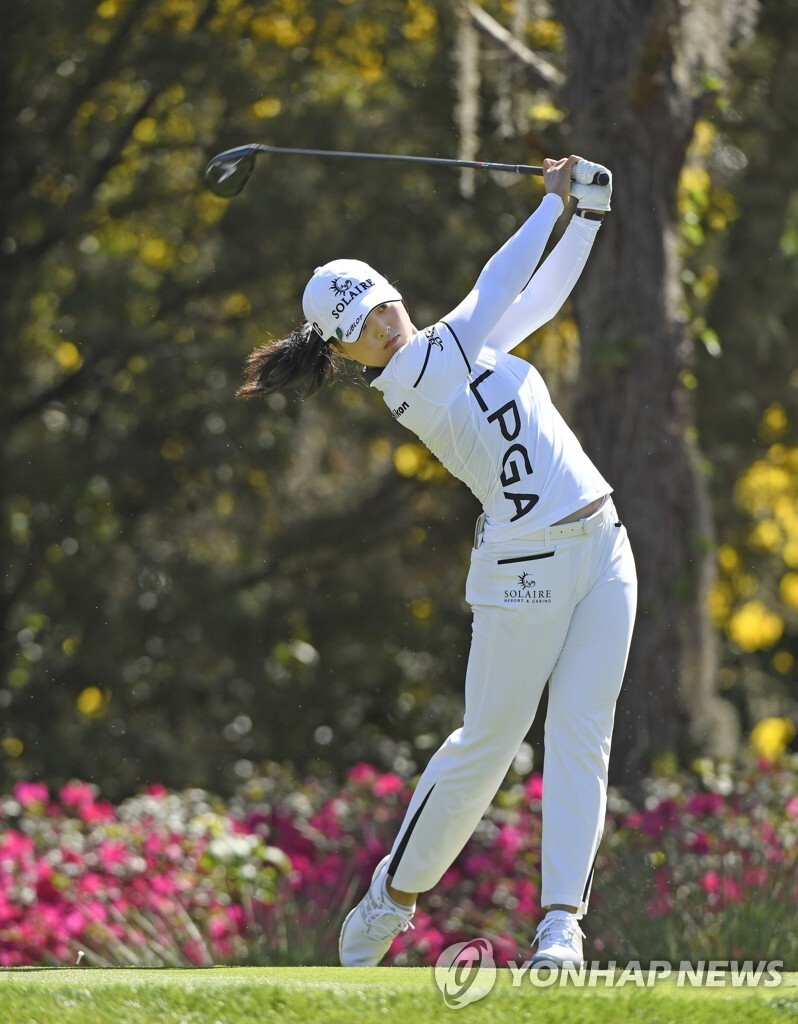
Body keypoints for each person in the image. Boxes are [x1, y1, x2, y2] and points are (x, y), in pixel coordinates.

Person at [237, 155, 637, 968]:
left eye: (381, 306)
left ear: (393, 295)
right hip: (525, 570)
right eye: (361, 327)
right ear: (346, 350)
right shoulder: (415, 377)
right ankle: (393, 896)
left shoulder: (457, 345)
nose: (382, 326)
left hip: (605, 546)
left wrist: (586, 219)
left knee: (582, 737)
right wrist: (551, 201)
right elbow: (497, 284)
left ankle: (562, 925)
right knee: (488, 742)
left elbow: (538, 299)